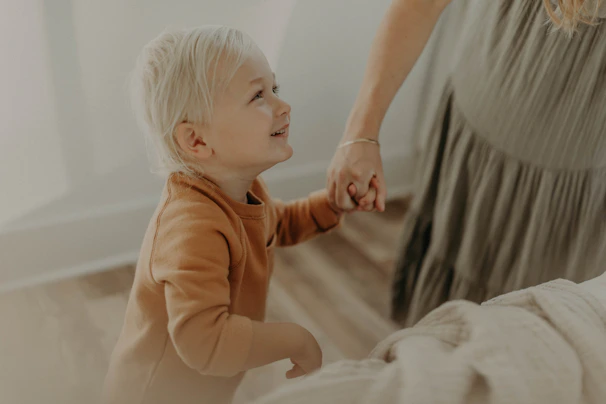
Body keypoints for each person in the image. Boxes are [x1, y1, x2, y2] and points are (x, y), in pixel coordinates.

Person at [103, 26, 370, 404]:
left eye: (274, 89)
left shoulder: (241, 190)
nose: (283, 105)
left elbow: (278, 223)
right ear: (197, 140)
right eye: (258, 95)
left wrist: (333, 204)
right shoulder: (191, 229)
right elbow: (206, 343)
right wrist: (296, 339)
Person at [327, 0, 606, 326]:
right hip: (474, 156)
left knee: (542, 339)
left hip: (582, 195)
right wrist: (361, 133)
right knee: (442, 335)